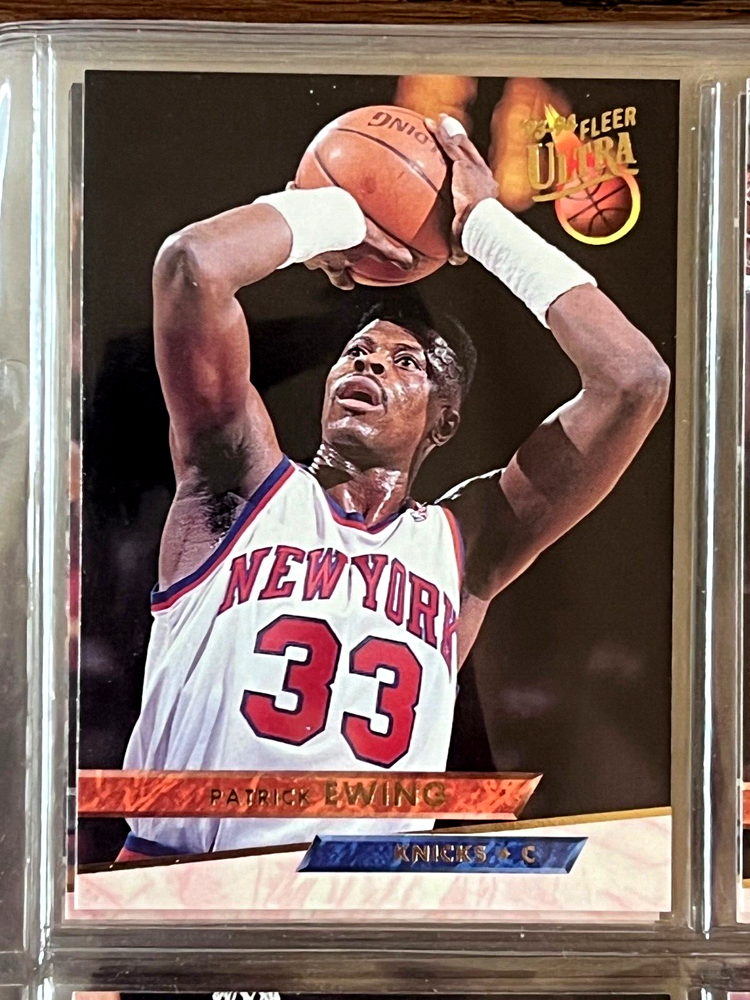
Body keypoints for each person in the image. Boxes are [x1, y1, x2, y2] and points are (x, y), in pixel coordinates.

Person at [118, 115, 670, 860]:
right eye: (356, 352)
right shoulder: (238, 485)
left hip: (360, 897)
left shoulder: (465, 545)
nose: (368, 364)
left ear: (444, 422)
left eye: (405, 362)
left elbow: (634, 380)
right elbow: (193, 265)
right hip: (183, 882)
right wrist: (338, 214)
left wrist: (484, 227)